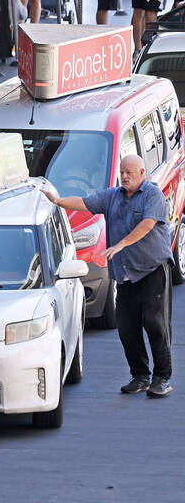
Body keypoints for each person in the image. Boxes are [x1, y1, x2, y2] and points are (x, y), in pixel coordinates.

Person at [44, 157, 173, 397]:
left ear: (142, 173)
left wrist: (121, 245)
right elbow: (83, 203)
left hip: (152, 270)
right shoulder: (113, 196)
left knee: (156, 325)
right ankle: (140, 376)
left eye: (130, 172)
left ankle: (162, 378)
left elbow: (146, 225)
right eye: (122, 172)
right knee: (127, 327)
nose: (125, 176)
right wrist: (57, 200)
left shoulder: (152, 195)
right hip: (125, 275)